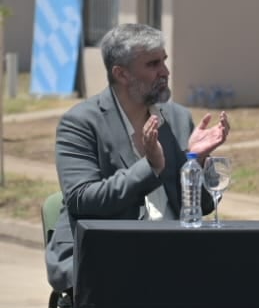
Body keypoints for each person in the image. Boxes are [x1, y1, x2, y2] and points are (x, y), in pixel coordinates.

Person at [46, 23, 229, 290]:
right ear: (122, 73)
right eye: (153, 64)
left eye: (164, 61)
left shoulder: (177, 118)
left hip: (175, 254)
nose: (165, 72)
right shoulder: (81, 123)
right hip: (105, 256)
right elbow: (82, 199)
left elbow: (200, 208)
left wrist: (195, 161)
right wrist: (150, 167)